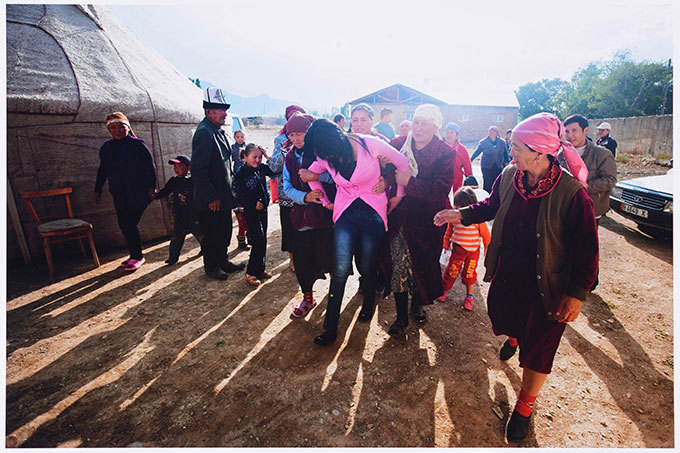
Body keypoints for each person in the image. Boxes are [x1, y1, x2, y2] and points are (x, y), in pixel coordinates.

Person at [433, 112, 598, 442]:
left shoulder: (571, 193)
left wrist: (576, 294)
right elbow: (492, 205)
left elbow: (587, 248)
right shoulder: (511, 175)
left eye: (516, 146)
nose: (511, 152)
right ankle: (514, 338)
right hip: (510, 275)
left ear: (539, 151)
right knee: (510, 320)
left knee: (539, 348)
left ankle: (524, 406)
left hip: (548, 286)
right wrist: (461, 214)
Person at [302, 119, 410, 346]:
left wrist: (398, 194)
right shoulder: (325, 154)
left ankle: (369, 303)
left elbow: (402, 163)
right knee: (339, 270)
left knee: (367, 265)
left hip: (373, 212)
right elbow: (311, 174)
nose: (325, 158)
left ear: (337, 138)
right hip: (344, 213)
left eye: (327, 153)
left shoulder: (369, 144)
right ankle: (330, 328)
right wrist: (324, 200)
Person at [380, 104, 456, 335]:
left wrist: (408, 182)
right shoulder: (397, 145)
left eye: (425, 123)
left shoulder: (445, 152)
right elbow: (383, 171)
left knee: (422, 264)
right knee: (399, 263)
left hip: (428, 221)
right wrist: (385, 171)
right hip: (401, 217)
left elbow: (440, 191)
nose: (419, 128)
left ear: (435, 126)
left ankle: (417, 305)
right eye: (416, 122)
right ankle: (401, 317)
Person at [282, 113, 335, 316]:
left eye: (300, 133)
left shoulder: (322, 152)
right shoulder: (289, 157)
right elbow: (286, 187)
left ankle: (333, 295)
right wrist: (305, 197)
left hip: (325, 216)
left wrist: (316, 177)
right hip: (302, 217)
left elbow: (336, 177)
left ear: (310, 133)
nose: (296, 139)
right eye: (292, 134)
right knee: (303, 261)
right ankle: (308, 298)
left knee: (329, 257)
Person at [191, 87, 245, 280]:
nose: (225, 113)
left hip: (223, 195)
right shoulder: (204, 133)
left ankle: (223, 261)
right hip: (212, 198)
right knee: (212, 233)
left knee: (223, 231)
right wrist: (211, 197)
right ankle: (212, 267)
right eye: (220, 109)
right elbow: (198, 170)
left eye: (224, 109)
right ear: (208, 112)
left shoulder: (217, 131)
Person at [94, 112, 156, 271]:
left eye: (121, 126)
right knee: (125, 224)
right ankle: (135, 255)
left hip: (139, 191)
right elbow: (103, 170)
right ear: (109, 130)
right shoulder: (106, 148)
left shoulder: (137, 144)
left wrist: (152, 187)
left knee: (129, 223)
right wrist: (97, 189)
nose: (118, 130)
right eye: (113, 127)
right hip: (120, 193)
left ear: (128, 127)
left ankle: (137, 256)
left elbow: (150, 167)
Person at [437, 187, 490, 310]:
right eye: (456, 206)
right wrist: (445, 245)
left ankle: (469, 296)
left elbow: (486, 236)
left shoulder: (478, 220)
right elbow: (448, 232)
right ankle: (444, 290)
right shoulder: (453, 218)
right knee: (451, 271)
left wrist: (488, 250)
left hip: (472, 252)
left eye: (459, 206)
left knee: (469, 273)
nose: (456, 209)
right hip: (457, 250)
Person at [269, 104, 306, 272]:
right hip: (287, 193)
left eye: (299, 115)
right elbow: (273, 166)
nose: (295, 118)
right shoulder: (280, 139)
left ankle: (307, 258)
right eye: (291, 116)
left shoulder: (310, 138)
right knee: (289, 226)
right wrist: (285, 150)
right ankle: (293, 258)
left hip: (308, 193)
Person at [562, 115, 617, 224]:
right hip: (565, 209)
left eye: (574, 131)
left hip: (589, 211)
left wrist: (582, 186)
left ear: (585, 130)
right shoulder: (561, 153)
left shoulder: (602, 154)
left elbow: (610, 180)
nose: (570, 135)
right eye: (567, 131)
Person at [233, 143, 276, 286]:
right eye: (254, 157)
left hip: (263, 210)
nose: (257, 160)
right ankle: (251, 272)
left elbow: (274, 171)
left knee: (263, 240)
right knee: (257, 240)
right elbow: (236, 193)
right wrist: (252, 203)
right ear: (245, 157)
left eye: (259, 157)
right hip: (251, 211)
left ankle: (260, 269)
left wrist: (267, 156)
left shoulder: (261, 168)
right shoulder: (241, 173)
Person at [153, 155, 202, 265]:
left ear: (189, 167)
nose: (176, 169)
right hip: (179, 214)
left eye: (180, 166)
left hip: (193, 214)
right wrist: (155, 195)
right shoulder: (174, 181)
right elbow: (165, 191)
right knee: (176, 237)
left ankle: (206, 250)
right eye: (175, 166)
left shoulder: (194, 180)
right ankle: (173, 258)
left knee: (200, 234)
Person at [470, 125, 509, 193]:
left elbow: (505, 153)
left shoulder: (502, 142)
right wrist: (470, 160)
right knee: (487, 183)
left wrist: (506, 161)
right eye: (490, 131)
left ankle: (495, 197)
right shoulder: (483, 142)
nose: (492, 133)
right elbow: (477, 152)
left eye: (493, 132)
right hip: (486, 166)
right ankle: (487, 197)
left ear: (497, 133)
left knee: (497, 182)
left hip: (498, 166)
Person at [443, 122, 473, 195]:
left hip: (457, 177)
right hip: (441, 176)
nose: (448, 135)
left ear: (457, 136)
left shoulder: (462, 149)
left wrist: (470, 179)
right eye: (447, 132)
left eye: (451, 132)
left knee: (458, 197)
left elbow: (467, 166)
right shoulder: (439, 146)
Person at [231, 130, 249, 249]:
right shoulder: (232, 148)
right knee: (242, 224)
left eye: (242, 136)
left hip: (246, 200)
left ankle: (248, 240)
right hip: (239, 201)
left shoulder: (248, 147)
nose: (240, 138)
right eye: (238, 137)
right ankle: (241, 243)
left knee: (248, 223)